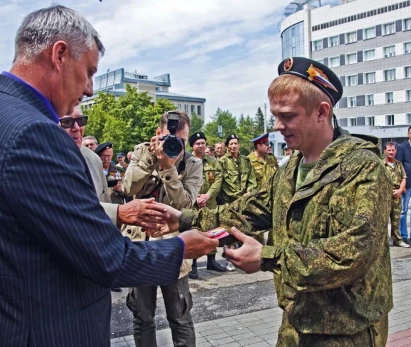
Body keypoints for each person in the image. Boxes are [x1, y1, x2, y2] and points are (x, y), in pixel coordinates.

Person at [0, 6, 217, 347]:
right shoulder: (33, 133)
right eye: (89, 72)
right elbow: (106, 258)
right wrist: (181, 246)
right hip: (47, 331)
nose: (90, 89)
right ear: (60, 55)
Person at [167, 57, 393, 346]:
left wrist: (266, 257)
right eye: (275, 116)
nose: (277, 126)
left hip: (348, 329)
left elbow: (351, 254)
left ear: (322, 112)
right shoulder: (289, 170)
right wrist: (183, 218)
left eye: (287, 116)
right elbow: (248, 210)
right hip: (297, 318)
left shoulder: (362, 167)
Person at [122, 111, 202, 347]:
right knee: (143, 316)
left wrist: (169, 169)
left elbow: (186, 205)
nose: (176, 145)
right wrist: (152, 159)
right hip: (141, 246)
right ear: (158, 134)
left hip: (173, 249)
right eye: (170, 138)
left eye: (182, 141)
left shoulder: (192, 163)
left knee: (180, 316)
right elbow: (128, 187)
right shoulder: (142, 152)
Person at [189, 131, 226, 278]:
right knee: (193, 232)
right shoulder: (186, 161)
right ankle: (192, 265)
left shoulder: (213, 162)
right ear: (192, 145)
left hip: (209, 203)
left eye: (203, 143)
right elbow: (181, 180)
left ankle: (211, 260)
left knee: (212, 232)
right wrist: (195, 196)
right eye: (198, 143)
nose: (201, 145)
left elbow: (218, 180)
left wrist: (208, 195)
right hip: (192, 203)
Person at [218, 134, 257, 205]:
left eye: (235, 143)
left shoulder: (246, 160)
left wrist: (249, 192)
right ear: (227, 146)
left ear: (239, 145)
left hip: (246, 200)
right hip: (229, 202)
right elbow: (223, 184)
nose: (233, 146)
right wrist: (239, 196)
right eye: (231, 144)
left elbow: (252, 180)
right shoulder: (222, 162)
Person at [383, 142, 409, 248]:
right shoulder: (381, 164)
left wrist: (400, 190)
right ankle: (383, 242)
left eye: (393, 150)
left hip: (397, 195)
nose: (391, 152)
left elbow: (404, 178)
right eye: (389, 150)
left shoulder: (399, 164)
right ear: (385, 151)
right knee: (383, 220)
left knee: (396, 220)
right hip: (385, 196)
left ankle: (397, 240)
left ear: (396, 151)